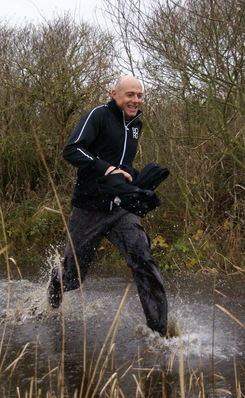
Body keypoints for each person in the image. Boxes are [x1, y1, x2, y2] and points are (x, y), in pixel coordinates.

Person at [47, 75, 169, 337]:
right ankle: (56, 283)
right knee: (72, 279)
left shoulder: (136, 125)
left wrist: (136, 182)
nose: (135, 100)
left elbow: (121, 164)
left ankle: (160, 334)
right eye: (129, 95)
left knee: (144, 262)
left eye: (139, 95)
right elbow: (72, 150)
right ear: (115, 94)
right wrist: (107, 167)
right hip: (89, 210)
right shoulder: (98, 116)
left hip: (120, 209)